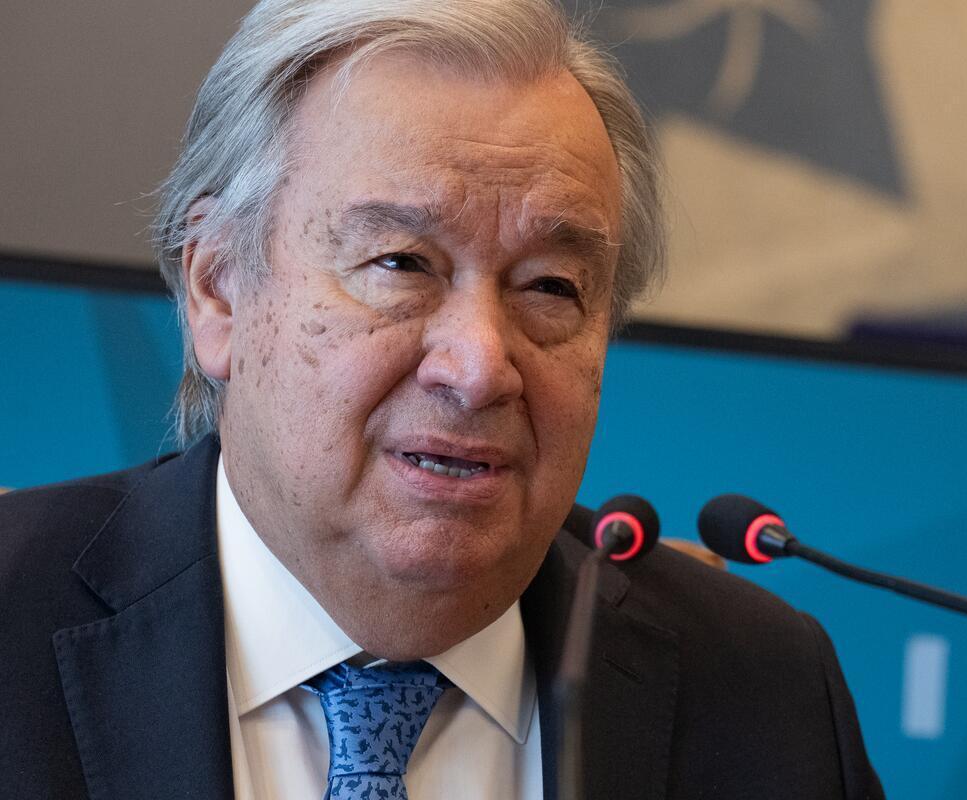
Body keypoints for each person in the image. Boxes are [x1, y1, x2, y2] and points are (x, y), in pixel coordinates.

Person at [0, 1, 884, 797]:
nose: (480, 367)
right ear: (219, 289)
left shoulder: (762, 690)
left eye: (550, 287)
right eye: (402, 264)